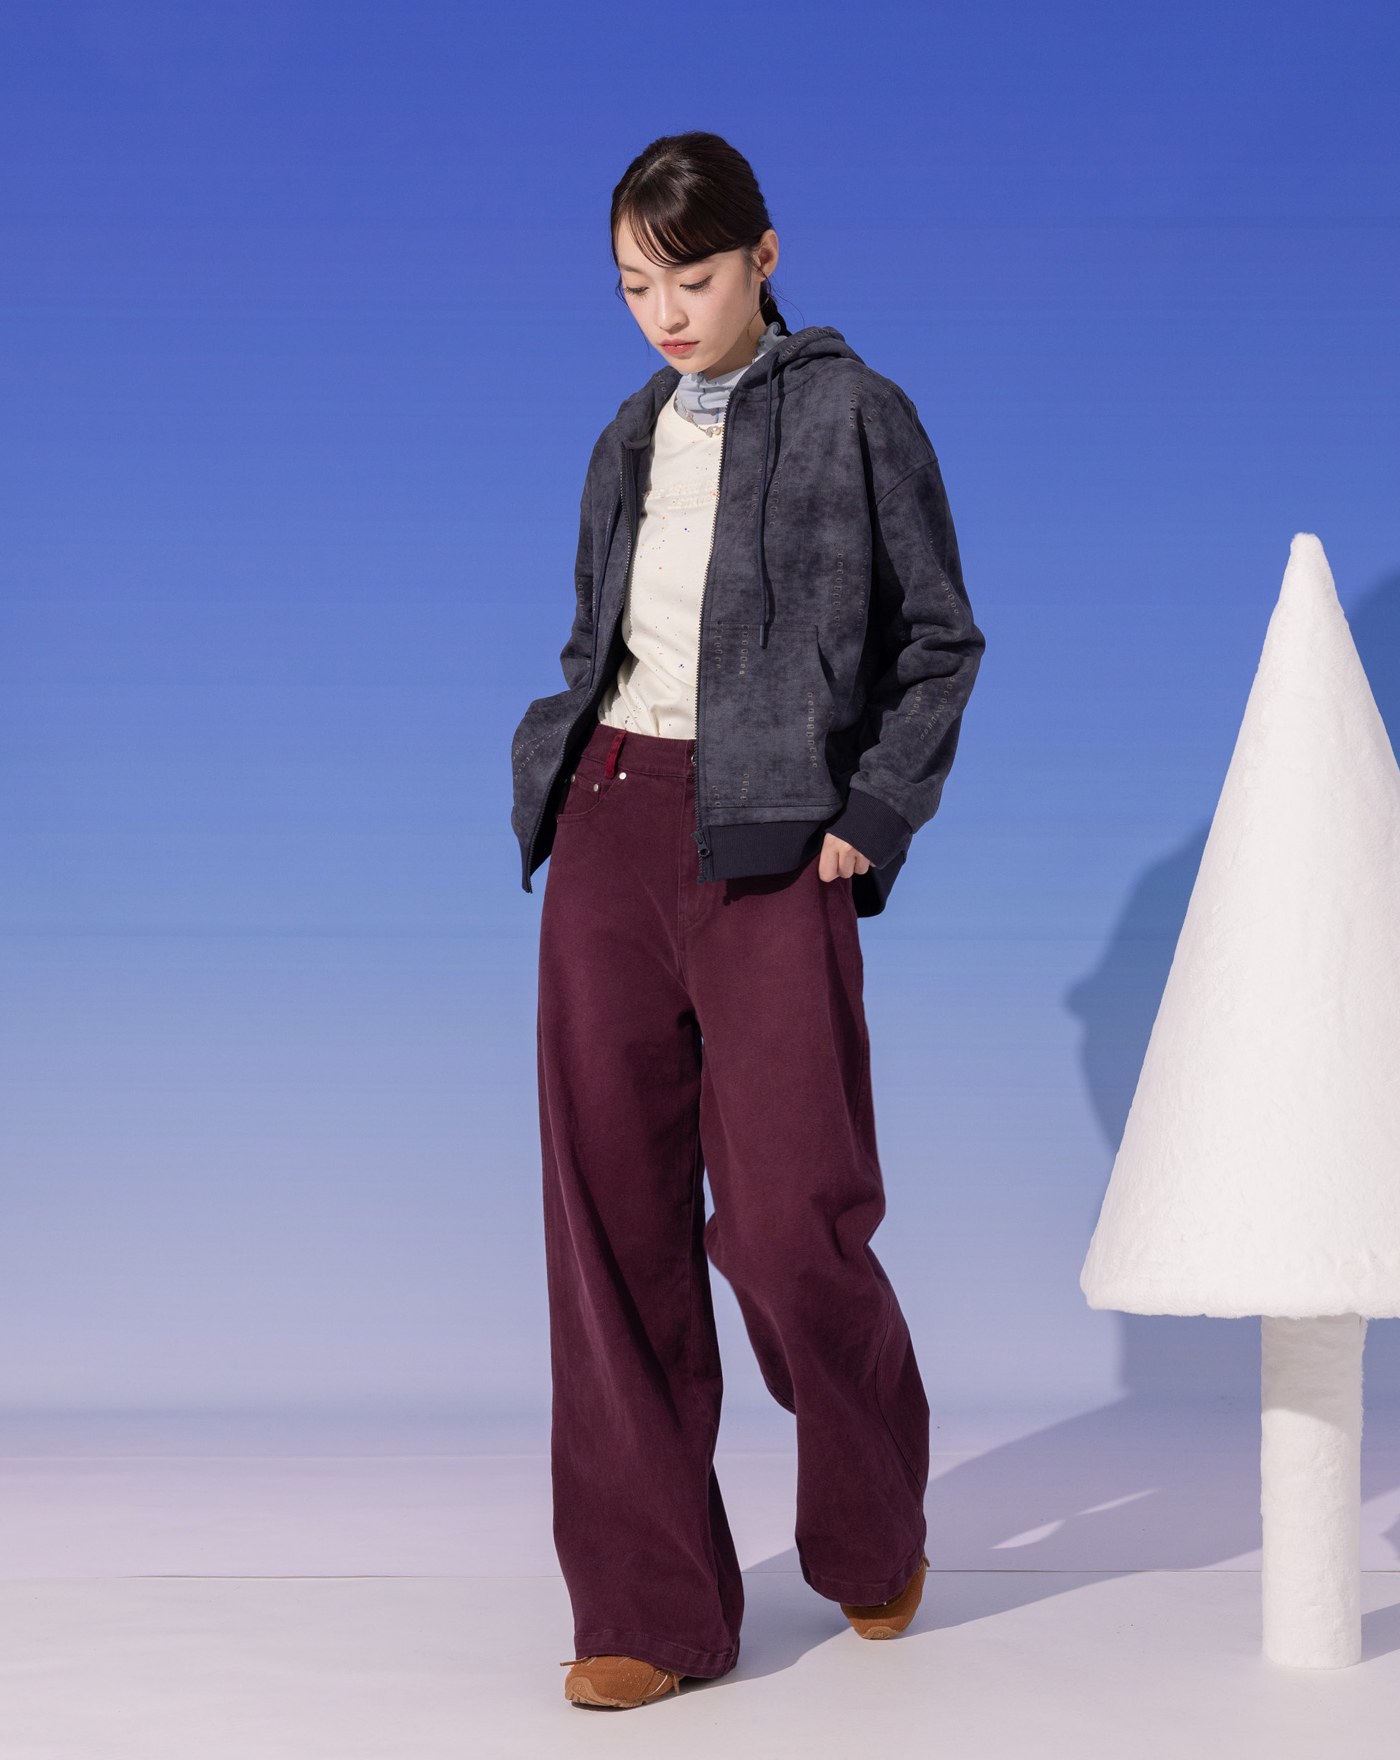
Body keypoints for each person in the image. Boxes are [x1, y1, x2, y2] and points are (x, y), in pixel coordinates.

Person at [508, 131, 985, 1711]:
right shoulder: (625, 437)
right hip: (611, 827)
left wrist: (876, 812)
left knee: (790, 1223)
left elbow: (938, 641)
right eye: (634, 287)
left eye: (693, 279)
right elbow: (598, 639)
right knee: (612, 1231)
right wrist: (558, 785)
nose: (666, 314)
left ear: (765, 258)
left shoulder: (858, 413)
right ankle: (647, 1608)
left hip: (776, 844)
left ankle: (873, 1519)